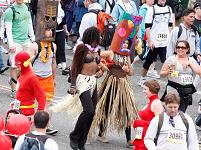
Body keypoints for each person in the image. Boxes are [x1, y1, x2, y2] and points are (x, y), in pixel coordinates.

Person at [91, 13, 142, 148]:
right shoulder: (111, 52)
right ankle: (101, 134)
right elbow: (96, 55)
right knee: (105, 108)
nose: (125, 44)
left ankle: (128, 140)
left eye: (127, 42)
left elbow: (131, 73)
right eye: (123, 41)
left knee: (126, 111)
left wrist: (127, 70)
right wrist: (102, 66)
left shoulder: (127, 57)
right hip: (110, 83)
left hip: (123, 85)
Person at [67, 27, 104, 150]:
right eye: (96, 36)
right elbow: (74, 67)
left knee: (92, 113)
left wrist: (100, 72)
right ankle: (74, 136)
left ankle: (81, 143)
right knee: (88, 110)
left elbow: (98, 66)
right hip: (82, 81)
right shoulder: (82, 48)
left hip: (93, 81)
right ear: (91, 37)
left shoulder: (97, 50)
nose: (98, 39)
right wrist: (72, 85)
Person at [4, 0, 38, 98]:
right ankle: (14, 90)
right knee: (15, 66)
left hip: (26, 41)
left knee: (26, 65)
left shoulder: (26, 7)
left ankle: (12, 80)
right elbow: (8, 29)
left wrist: (33, 38)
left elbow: (29, 23)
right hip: (15, 41)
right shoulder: (10, 11)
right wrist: (11, 44)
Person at [138, 0, 173, 87]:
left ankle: (172, 82)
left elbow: (170, 25)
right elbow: (147, 27)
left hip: (165, 42)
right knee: (148, 61)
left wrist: (170, 38)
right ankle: (142, 79)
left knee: (166, 61)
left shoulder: (169, 9)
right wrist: (149, 41)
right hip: (154, 42)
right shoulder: (152, 9)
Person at [160, 40, 201, 112]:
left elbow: (199, 72)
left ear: (187, 49)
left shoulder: (191, 60)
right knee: (175, 111)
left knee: (182, 111)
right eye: (178, 47)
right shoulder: (171, 59)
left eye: (183, 47)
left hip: (187, 91)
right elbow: (161, 74)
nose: (180, 49)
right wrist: (168, 72)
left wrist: (190, 63)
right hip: (173, 89)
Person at [33, 25, 58, 136]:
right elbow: (27, 62)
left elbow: (53, 62)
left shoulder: (54, 46)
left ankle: (46, 125)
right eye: (47, 30)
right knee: (27, 103)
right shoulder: (35, 45)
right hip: (34, 78)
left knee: (48, 103)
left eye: (51, 30)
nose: (50, 33)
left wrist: (54, 78)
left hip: (47, 78)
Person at [13, 51, 46, 117]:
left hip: (26, 114)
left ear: (25, 64)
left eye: (18, 64)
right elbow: (19, 94)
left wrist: (38, 115)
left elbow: (42, 96)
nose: (16, 66)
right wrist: (14, 110)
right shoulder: (21, 74)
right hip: (18, 112)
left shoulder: (32, 77)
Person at [133, 80, 164, 150]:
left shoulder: (156, 103)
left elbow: (160, 123)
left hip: (148, 139)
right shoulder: (151, 101)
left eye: (145, 89)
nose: (143, 91)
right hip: (141, 136)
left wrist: (141, 122)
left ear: (151, 90)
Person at [55, 1, 69, 71]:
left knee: (61, 48)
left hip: (60, 31)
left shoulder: (62, 10)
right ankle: (58, 63)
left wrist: (66, 31)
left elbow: (64, 22)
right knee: (54, 48)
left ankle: (64, 63)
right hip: (51, 32)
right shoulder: (49, 8)